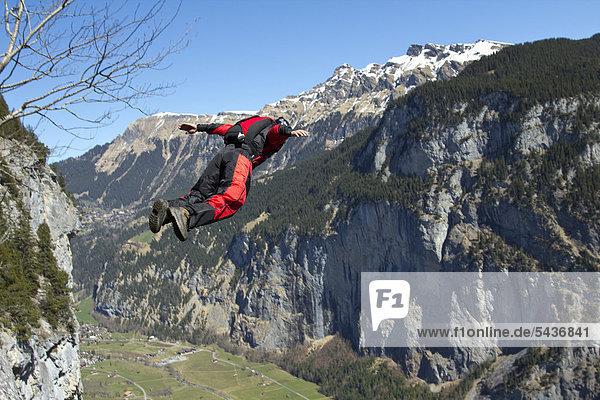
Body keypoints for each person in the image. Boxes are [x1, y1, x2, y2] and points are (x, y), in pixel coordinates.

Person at [148, 115, 309, 241]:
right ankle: (186, 213)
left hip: (223, 154)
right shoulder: (272, 129)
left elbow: (225, 128)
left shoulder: (253, 125)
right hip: (241, 158)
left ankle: (168, 209)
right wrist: (289, 132)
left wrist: (199, 128)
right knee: (232, 200)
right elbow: (276, 132)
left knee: (198, 195)